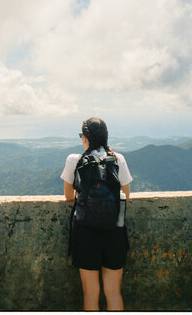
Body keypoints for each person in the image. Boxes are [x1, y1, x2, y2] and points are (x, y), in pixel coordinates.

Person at [60, 117, 132, 311]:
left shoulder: (74, 160)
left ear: (85, 138)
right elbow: (125, 194)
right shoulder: (118, 159)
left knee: (91, 292)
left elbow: (68, 196)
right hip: (114, 231)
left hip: (85, 232)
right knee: (114, 292)